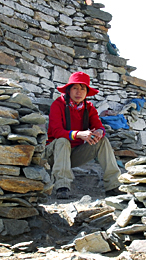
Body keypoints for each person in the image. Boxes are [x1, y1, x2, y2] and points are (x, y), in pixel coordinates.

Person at [46, 71, 121, 200]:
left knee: (102, 141)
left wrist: (99, 132)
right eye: (75, 88)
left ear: (87, 92)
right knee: (63, 141)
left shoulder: (89, 107)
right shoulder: (57, 105)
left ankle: (113, 185)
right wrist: (78, 134)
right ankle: (62, 186)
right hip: (55, 154)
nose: (78, 92)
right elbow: (57, 131)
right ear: (69, 90)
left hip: (73, 154)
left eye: (82, 89)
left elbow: (99, 126)